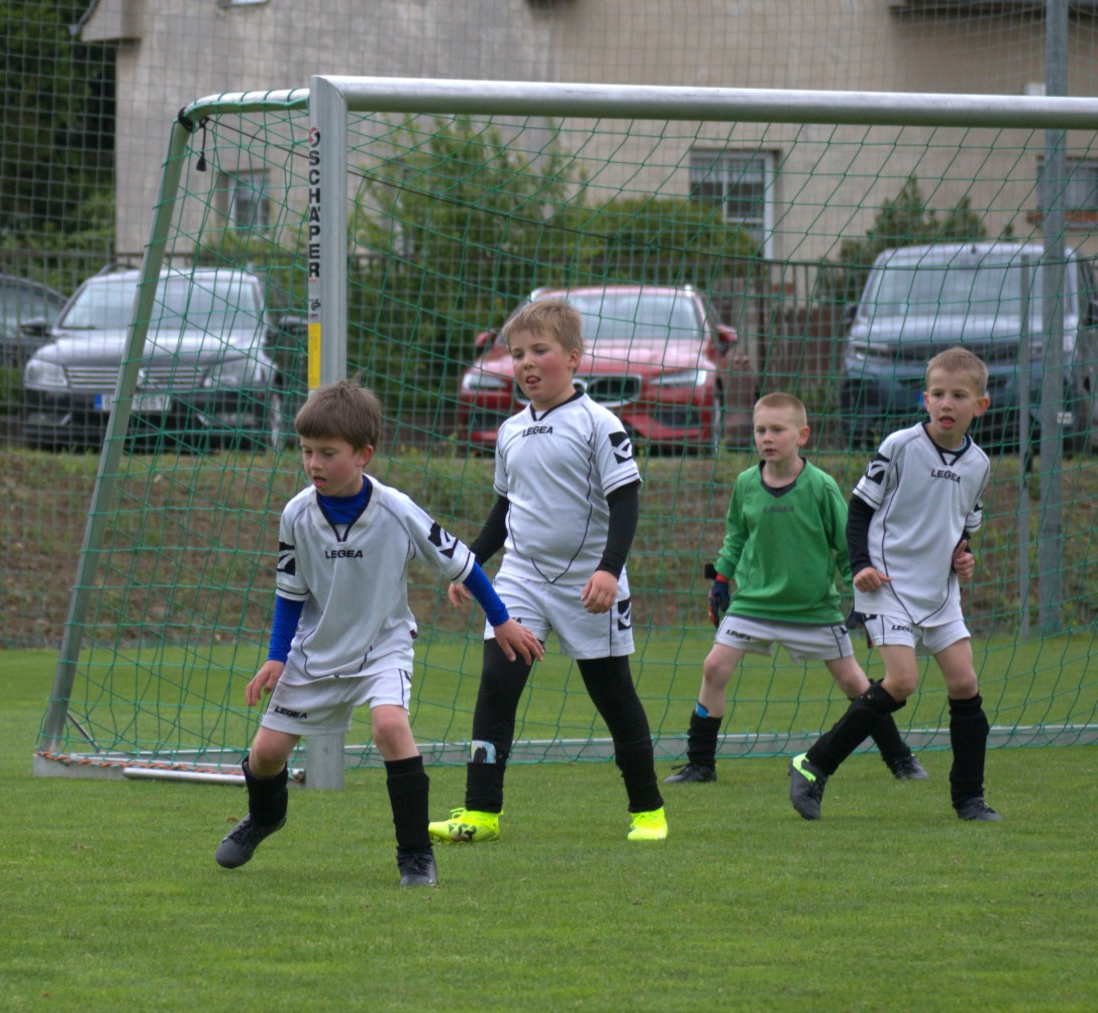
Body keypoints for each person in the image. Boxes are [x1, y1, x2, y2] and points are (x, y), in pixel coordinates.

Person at [215, 381, 543, 887]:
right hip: (316, 650)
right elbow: (290, 593)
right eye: (306, 451)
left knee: (390, 726)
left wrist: (501, 619)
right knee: (266, 755)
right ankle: (265, 817)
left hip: (382, 646)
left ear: (363, 455)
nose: (314, 463)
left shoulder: (397, 510)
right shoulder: (296, 514)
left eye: (328, 453)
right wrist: (277, 657)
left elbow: (463, 564)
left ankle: (415, 856)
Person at [428, 297, 669, 844]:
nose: (527, 363)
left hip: (590, 586)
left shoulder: (600, 424)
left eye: (540, 350)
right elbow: (505, 509)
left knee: (613, 696)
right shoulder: (510, 431)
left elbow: (626, 502)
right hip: (521, 581)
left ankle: (648, 811)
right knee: (497, 685)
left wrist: (609, 570)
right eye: (517, 354)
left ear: (574, 358)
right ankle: (481, 813)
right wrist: (471, 564)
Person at [664, 392, 930, 785]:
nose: (767, 438)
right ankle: (700, 764)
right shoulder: (745, 484)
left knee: (854, 683)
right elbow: (735, 537)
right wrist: (721, 578)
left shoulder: (821, 486)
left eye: (777, 429)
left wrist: (862, 596)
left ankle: (900, 758)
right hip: (753, 603)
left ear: (802, 435)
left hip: (813, 609)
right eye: (760, 430)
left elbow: (847, 547)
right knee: (714, 668)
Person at [789, 347, 999, 822]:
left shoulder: (979, 464)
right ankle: (814, 764)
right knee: (902, 681)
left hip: (939, 592)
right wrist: (860, 565)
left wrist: (963, 558)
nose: (946, 403)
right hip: (886, 583)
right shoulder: (901, 446)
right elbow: (859, 509)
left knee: (965, 683)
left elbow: (963, 530)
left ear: (980, 405)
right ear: (925, 399)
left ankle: (969, 799)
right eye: (938, 394)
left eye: (958, 395)